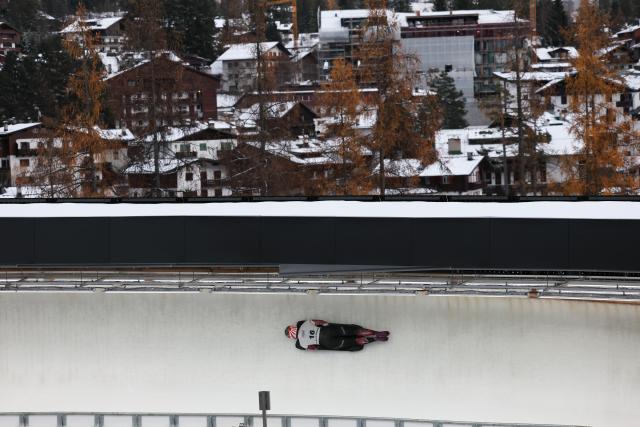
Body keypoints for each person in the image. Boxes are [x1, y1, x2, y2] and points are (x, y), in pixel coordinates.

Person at [285, 319, 389, 351]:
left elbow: (314, 348)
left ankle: (376, 339)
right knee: (355, 331)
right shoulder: (302, 323)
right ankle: (376, 333)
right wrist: (326, 324)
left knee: (354, 341)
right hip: (329, 331)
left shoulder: (300, 344)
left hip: (329, 343)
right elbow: (320, 322)